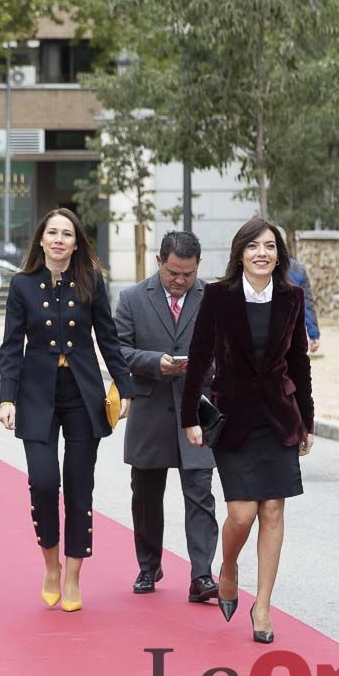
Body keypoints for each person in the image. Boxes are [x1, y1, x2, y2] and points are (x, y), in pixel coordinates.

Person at [181, 217, 315, 644]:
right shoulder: (218, 297)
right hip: (233, 418)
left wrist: (307, 420)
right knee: (241, 513)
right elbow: (199, 358)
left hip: (278, 418)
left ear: (279, 255)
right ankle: (229, 566)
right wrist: (189, 417)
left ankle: (262, 606)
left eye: (271, 247)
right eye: (254, 246)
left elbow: (299, 364)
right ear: (240, 253)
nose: (263, 253)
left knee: (273, 509)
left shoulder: (292, 298)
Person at [0, 208, 132, 613]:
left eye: (66, 234)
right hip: (36, 394)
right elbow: (11, 346)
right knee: (42, 481)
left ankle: (73, 575)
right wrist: (7, 398)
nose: (58, 239)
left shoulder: (91, 281)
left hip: (82, 393)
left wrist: (124, 388)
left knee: (78, 485)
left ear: (76, 242)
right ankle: (50, 564)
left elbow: (108, 337)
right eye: (52, 233)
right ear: (41, 239)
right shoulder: (22, 286)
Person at [114, 231, 219, 602]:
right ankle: (148, 565)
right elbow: (119, 350)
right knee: (145, 494)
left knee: (200, 492)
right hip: (150, 409)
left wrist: (204, 368)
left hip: (197, 410)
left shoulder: (213, 299)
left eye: (188, 274)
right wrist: (153, 362)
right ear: (159, 262)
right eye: (174, 272)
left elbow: (227, 350)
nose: (180, 281)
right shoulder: (130, 299)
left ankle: (202, 575)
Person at [287, 258, 321, 353]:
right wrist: (313, 335)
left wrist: (313, 334)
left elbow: (306, 303)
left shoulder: (297, 270)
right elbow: (307, 303)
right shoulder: (297, 269)